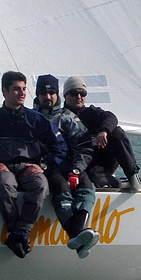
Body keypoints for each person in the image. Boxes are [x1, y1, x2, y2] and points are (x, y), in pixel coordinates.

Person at [0, 71, 67, 259]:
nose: (21, 93)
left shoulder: (36, 119)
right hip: (2, 166)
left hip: (29, 167)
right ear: (4, 92)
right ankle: (15, 232)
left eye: (24, 89)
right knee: (4, 186)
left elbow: (60, 146)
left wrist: (43, 165)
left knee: (40, 186)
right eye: (16, 89)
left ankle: (20, 232)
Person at [33, 74, 100, 258]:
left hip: (71, 165)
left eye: (52, 93)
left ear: (57, 95)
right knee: (61, 188)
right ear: (37, 95)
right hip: (46, 168)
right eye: (43, 93)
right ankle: (78, 237)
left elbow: (84, 146)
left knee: (87, 188)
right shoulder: (30, 118)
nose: (48, 97)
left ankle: (76, 235)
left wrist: (76, 170)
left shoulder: (68, 118)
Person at [62, 76, 141, 193]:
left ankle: (132, 177)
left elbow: (111, 117)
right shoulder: (61, 117)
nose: (79, 97)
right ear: (65, 95)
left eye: (83, 93)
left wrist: (103, 131)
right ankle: (121, 183)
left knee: (116, 132)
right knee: (93, 179)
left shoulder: (92, 112)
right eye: (74, 93)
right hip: (82, 163)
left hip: (101, 159)